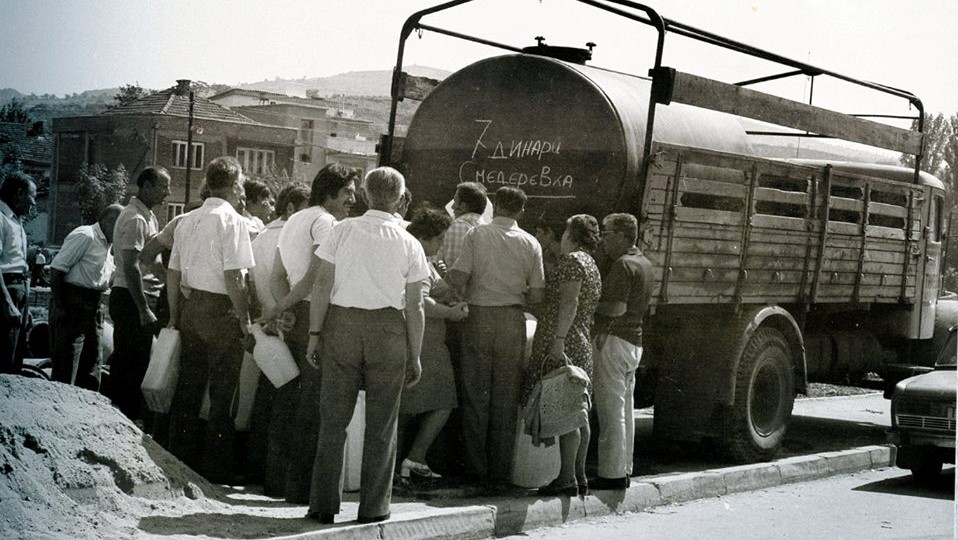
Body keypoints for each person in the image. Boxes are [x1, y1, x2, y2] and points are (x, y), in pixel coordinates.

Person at [304, 166, 429, 525]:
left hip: (342, 325)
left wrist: (315, 333)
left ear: (365, 195)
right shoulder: (410, 242)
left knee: (333, 420)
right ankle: (374, 507)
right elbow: (416, 304)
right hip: (389, 330)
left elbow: (322, 284)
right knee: (382, 424)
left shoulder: (342, 230)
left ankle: (323, 504)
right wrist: (415, 353)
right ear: (400, 198)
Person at [260, 164, 359, 502]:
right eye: (347, 192)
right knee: (314, 404)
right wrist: (282, 308)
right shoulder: (326, 222)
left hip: (297, 314)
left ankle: (277, 482)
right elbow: (317, 280)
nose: (353, 198)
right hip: (318, 316)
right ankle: (301, 489)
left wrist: (283, 306)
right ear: (331, 192)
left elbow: (277, 276)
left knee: (289, 398)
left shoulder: (295, 220)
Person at [446, 186, 545, 489]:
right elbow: (538, 293)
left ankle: (476, 468)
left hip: (479, 317)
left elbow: (459, 277)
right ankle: (500, 472)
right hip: (512, 320)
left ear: (496, 205)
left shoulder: (477, 235)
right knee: (506, 397)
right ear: (521, 211)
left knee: (476, 395)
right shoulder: (531, 243)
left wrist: (456, 287)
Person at [166, 156, 254, 483]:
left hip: (192, 308)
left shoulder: (186, 220)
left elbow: (173, 273)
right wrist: (244, 320)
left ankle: (178, 460)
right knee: (222, 394)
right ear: (234, 185)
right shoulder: (233, 221)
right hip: (221, 311)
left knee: (188, 389)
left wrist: (176, 315)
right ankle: (215, 469)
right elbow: (236, 277)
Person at [520, 214, 602, 496]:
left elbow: (570, 301)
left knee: (567, 413)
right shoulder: (590, 263)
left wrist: (557, 341)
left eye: (566, 231)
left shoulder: (572, 262)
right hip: (580, 339)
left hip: (565, 340)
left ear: (572, 235)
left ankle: (566, 478)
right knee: (579, 412)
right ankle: (578, 475)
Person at [245, 182, 309, 493]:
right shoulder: (294, 238)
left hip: (266, 324)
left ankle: (257, 469)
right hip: (288, 322)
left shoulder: (259, 238)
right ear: (293, 209)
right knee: (290, 402)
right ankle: (278, 479)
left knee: (265, 398)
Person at [399, 208, 469, 480]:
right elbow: (422, 303)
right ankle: (415, 457)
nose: (441, 244)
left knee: (407, 405)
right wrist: (451, 313)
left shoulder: (423, 258)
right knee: (444, 401)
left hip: (423, 339)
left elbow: (438, 291)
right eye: (439, 239)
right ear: (425, 237)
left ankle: (400, 462)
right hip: (426, 341)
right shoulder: (417, 258)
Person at [590, 213, 654, 491]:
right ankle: (623, 468)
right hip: (633, 341)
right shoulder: (644, 263)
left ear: (620, 235)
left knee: (610, 409)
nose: (602, 239)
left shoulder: (623, 265)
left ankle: (611, 474)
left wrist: (590, 304)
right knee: (624, 408)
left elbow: (616, 307)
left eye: (606, 233)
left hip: (614, 340)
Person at [108, 166, 170, 421]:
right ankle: (122, 418)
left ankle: (126, 416)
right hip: (130, 297)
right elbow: (131, 265)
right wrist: (143, 308)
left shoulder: (149, 217)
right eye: (163, 186)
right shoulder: (135, 218)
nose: (167, 191)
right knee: (130, 362)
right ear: (146, 186)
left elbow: (152, 261)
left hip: (136, 296)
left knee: (139, 358)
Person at [49, 204, 122, 390]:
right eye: (121, 226)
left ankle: (86, 404)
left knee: (93, 357)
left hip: (95, 302)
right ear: (109, 221)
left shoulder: (108, 245)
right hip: (74, 299)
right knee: (69, 356)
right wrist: (60, 305)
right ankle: (62, 400)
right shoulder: (85, 235)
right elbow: (57, 269)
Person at [0, 172, 37, 375]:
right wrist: (7, 302)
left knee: (16, 355)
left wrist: (26, 306)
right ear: (19, 194)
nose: (33, 203)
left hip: (19, 292)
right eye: (32, 197)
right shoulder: (1, 218)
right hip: (6, 289)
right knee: (4, 355)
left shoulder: (16, 220)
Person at [438, 181, 487, 269]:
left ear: (463, 206)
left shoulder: (450, 227)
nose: (452, 207)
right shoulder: (489, 232)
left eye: (455, 202)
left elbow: (436, 262)